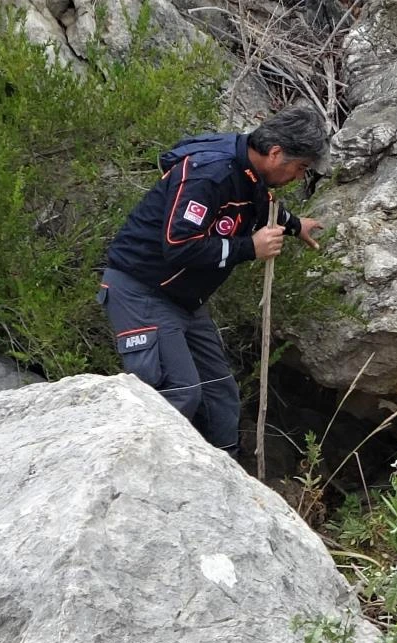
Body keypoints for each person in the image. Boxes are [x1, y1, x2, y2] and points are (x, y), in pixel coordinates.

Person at [97, 106, 328, 459]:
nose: (299, 177)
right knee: (179, 391)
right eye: (300, 168)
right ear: (277, 153)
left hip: (185, 300)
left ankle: (225, 477)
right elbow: (179, 246)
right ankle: (138, 470)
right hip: (141, 291)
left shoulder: (249, 171)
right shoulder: (208, 173)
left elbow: (255, 204)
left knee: (219, 393)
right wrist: (249, 247)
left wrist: (295, 224)